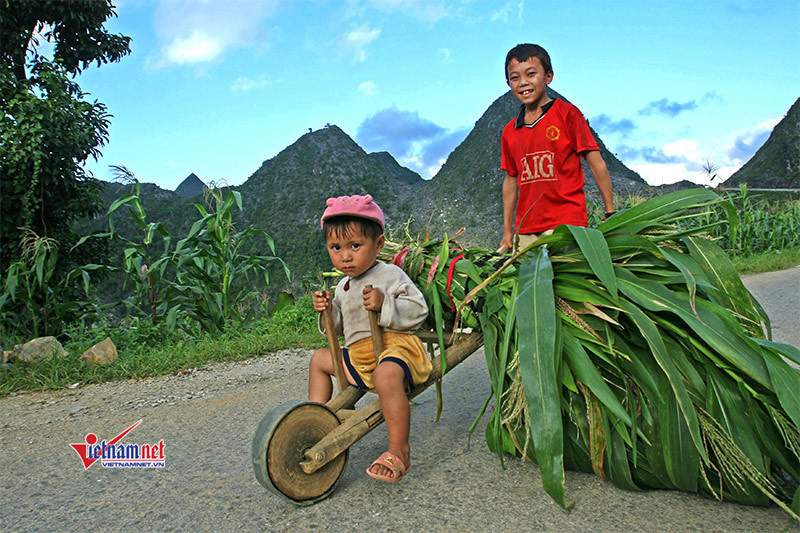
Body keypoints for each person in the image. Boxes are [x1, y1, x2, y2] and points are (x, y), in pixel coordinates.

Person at [309, 194, 431, 483]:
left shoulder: (391, 274)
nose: (345, 256)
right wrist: (327, 311)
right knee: (319, 359)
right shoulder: (342, 285)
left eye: (355, 246)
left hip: (394, 348)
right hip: (360, 355)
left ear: (378, 245)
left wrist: (384, 302)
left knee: (387, 375)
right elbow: (338, 328)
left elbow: (418, 311)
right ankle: (315, 418)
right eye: (335, 248)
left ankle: (399, 450)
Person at [498, 43, 615, 253]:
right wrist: (508, 231)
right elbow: (510, 180)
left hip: (566, 225)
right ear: (508, 83)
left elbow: (596, 162)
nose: (523, 82)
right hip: (526, 230)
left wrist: (610, 212)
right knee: (527, 283)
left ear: (548, 76)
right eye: (515, 77)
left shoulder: (568, 114)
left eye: (531, 74)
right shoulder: (509, 132)